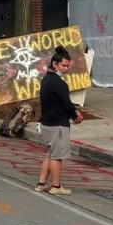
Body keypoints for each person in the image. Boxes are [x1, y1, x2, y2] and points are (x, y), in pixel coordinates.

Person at [34, 47, 84, 196]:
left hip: (48, 123)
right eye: (64, 65)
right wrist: (76, 116)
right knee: (57, 156)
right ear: (55, 64)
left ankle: (41, 183)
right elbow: (66, 103)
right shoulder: (58, 83)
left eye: (68, 66)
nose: (66, 69)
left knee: (50, 154)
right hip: (57, 124)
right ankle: (56, 186)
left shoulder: (47, 79)